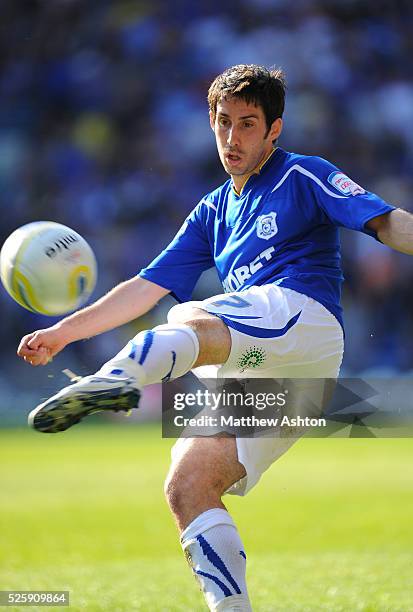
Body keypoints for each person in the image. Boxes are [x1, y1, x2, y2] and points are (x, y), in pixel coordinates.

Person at [17, 64, 413, 612]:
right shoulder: (211, 211)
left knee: (193, 324)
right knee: (188, 485)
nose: (232, 137)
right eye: (223, 122)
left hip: (304, 322)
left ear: (275, 129)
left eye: (248, 124)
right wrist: (61, 332)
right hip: (276, 375)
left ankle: (111, 382)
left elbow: (386, 221)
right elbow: (145, 286)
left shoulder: (303, 175)